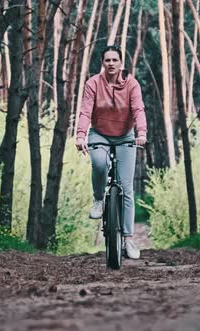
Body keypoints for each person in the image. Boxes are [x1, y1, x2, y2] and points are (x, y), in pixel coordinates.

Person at [75, 45, 147, 260]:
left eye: (115, 60)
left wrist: (141, 133)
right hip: (99, 134)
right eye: (107, 60)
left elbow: (138, 109)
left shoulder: (132, 84)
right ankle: (99, 199)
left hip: (126, 136)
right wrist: (80, 135)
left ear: (121, 63)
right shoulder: (93, 84)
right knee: (98, 163)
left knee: (126, 188)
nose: (111, 63)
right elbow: (86, 110)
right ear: (102, 63)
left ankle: (127, 239)